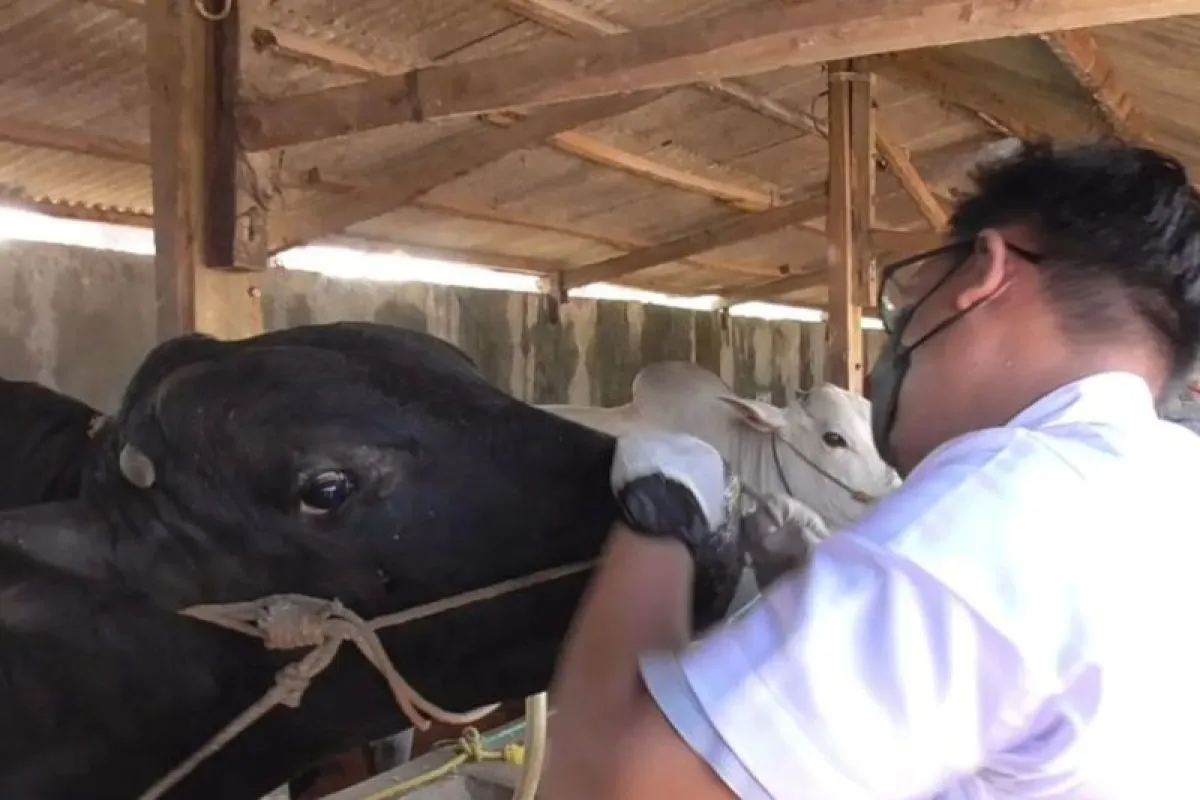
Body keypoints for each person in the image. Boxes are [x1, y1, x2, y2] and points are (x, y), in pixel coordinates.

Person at [540, 141, 1200, 799]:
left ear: (981, 277)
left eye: (911, 297)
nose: (900, 334)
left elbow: (607, 786)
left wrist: (662, 517)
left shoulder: (1009, 496)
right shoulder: (1171, 475)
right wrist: (812, 594)